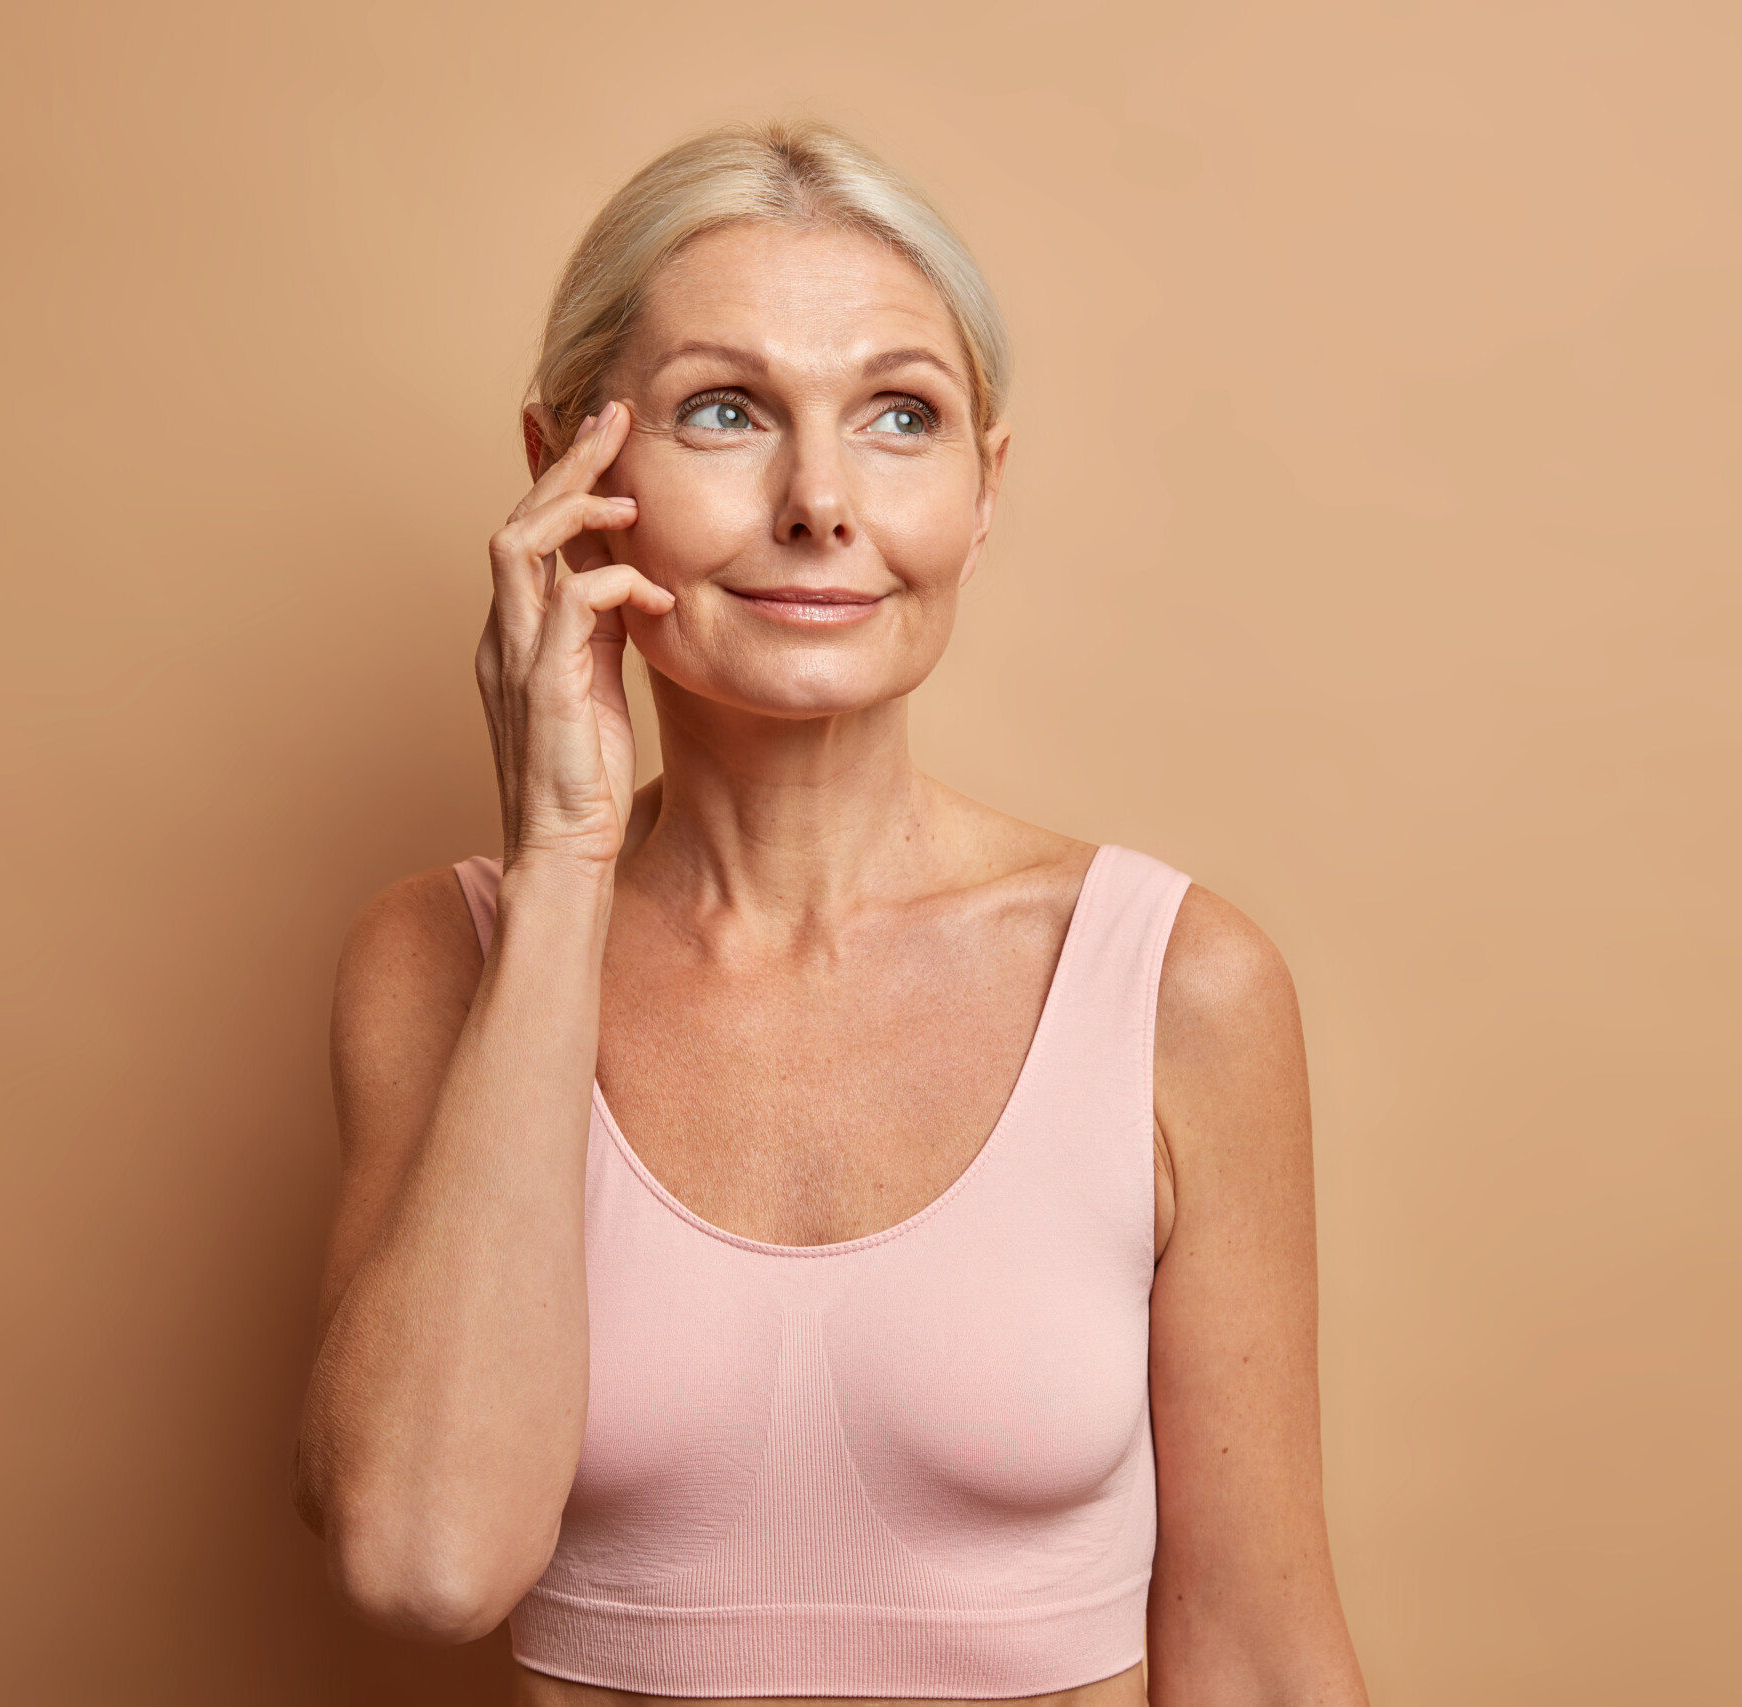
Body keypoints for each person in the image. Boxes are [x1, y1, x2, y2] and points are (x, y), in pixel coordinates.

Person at [293, 120, 1367, 1707]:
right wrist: (563, 863)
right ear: (564, 472)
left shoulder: (1174, 985)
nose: (819, 500)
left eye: (900, 417)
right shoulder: (438, 961)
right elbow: (426, 1559)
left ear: (983, 491)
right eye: (725, 411)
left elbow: (1260, 1655)